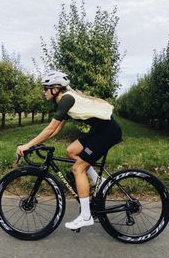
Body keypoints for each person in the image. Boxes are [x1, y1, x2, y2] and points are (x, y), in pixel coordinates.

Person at [16, 70, 122, 230]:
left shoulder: (67, 99)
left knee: (78, 168)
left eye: (45, 88)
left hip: (108, 132)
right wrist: (37, 143)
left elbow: (50, 128)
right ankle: (100, 183)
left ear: (56, 88)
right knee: (71, 150)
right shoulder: (64, 101)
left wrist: (28, 145)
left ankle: (86, 216)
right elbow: (56, 129)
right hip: (101, 130)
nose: (43, 92)